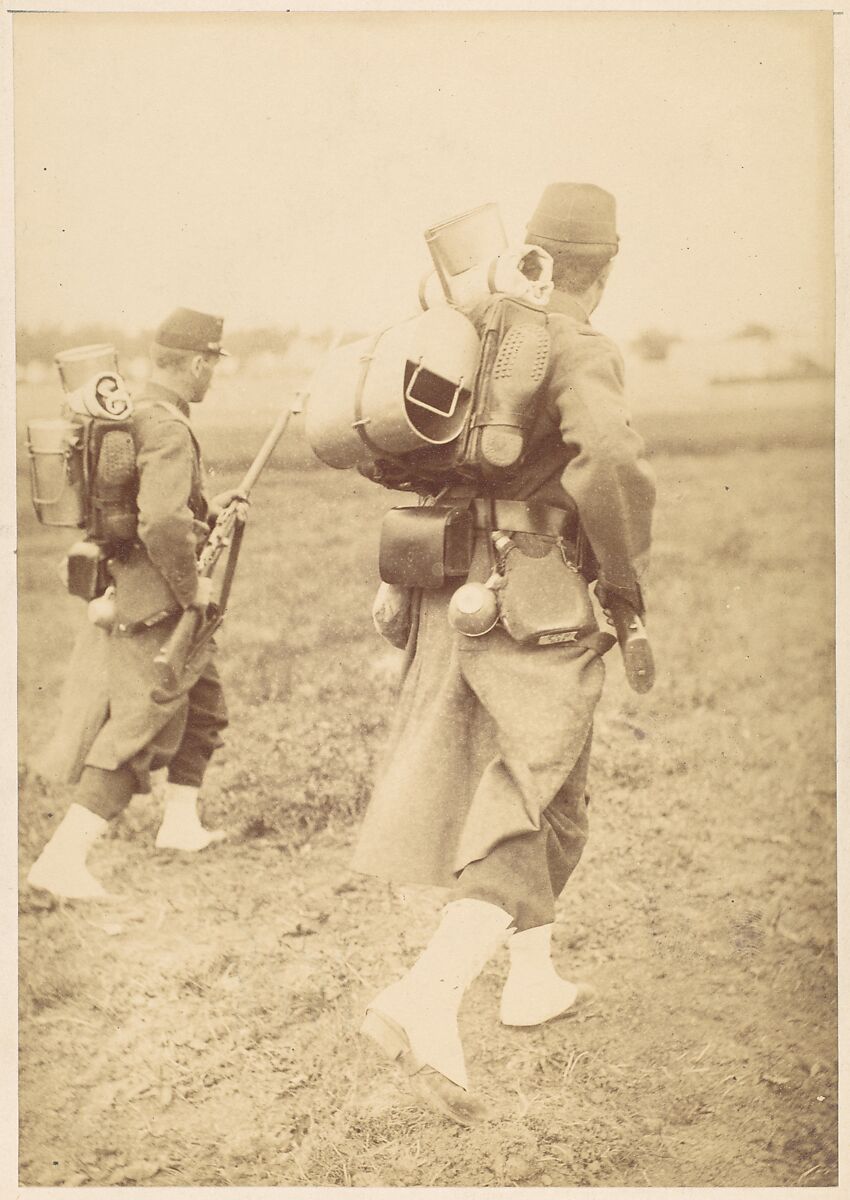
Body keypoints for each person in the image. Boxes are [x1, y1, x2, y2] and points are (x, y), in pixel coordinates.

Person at [352, 183, 657, 1124]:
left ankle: (531, 980)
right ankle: (425, 997)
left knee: (551, 790)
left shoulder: (478, 321)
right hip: (537, 596)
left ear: (533, 251)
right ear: (602, 270)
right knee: (531, 789)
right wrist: (625, 580)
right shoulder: (579, 342)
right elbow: (607, 461)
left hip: (452, 586)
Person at [27, 307, 237, 900]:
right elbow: (164, 522)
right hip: (159, 599)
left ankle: (180, 823)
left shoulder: (135, 414)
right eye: (212, 364)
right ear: (197, 363)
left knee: (204, 703)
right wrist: (192, 589)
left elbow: (158, 508)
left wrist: (212, 509)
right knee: (140, 727)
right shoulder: (168, 425)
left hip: (130, 585)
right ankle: (62, 858)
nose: (212, 375)